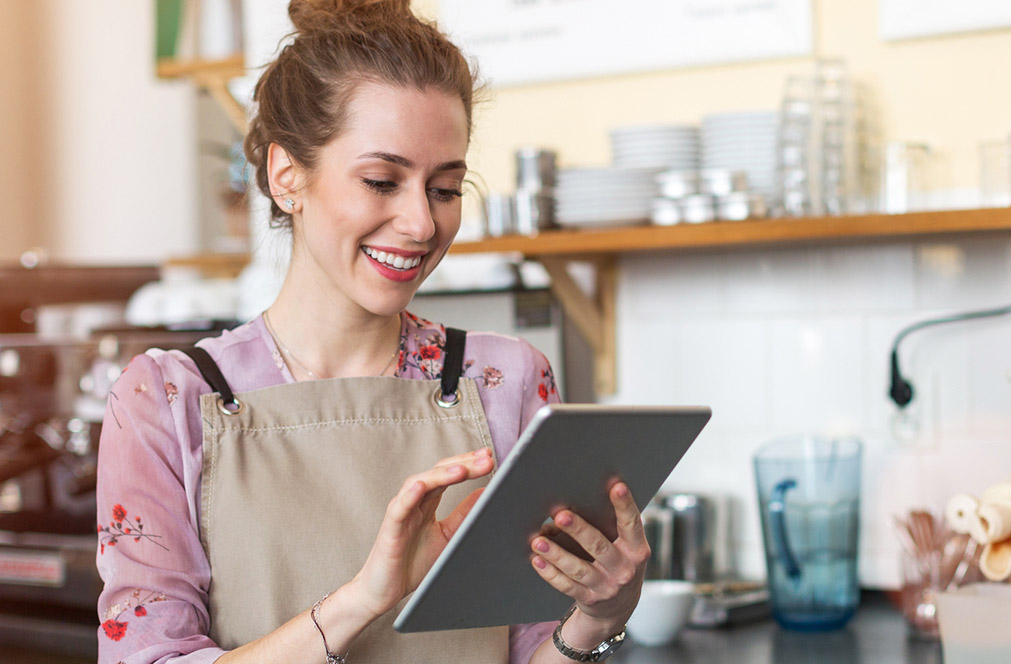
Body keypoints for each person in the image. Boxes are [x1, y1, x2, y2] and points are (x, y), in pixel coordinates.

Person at [93, 1, 648, 661]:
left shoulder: (508, 382)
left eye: (444, 189)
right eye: (382, 181)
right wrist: (364, 598)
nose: (420, 223)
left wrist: (596, 620)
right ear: (286, 175)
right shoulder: (167, 401)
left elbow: (533, 653)